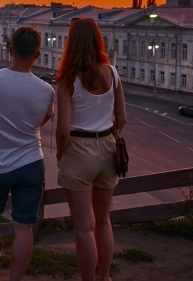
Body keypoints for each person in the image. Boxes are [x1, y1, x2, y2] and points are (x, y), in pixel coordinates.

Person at [0, 26, 55, 281]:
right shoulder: (46, 91)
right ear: (37, 55)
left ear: (9, 51)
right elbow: (39, 122)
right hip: (31, 164)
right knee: (23, 225)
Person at [54, 17, 127, 281]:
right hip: (108, 148)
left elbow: (62, 130)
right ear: (98, 40)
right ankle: (104, 277)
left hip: (78, 149)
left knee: (84, 227)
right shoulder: (113, 73)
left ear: (71, 43)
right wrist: (109, 136)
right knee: (104, 220)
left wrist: (61, 153)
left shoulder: (67, 80)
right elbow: (123, 118)